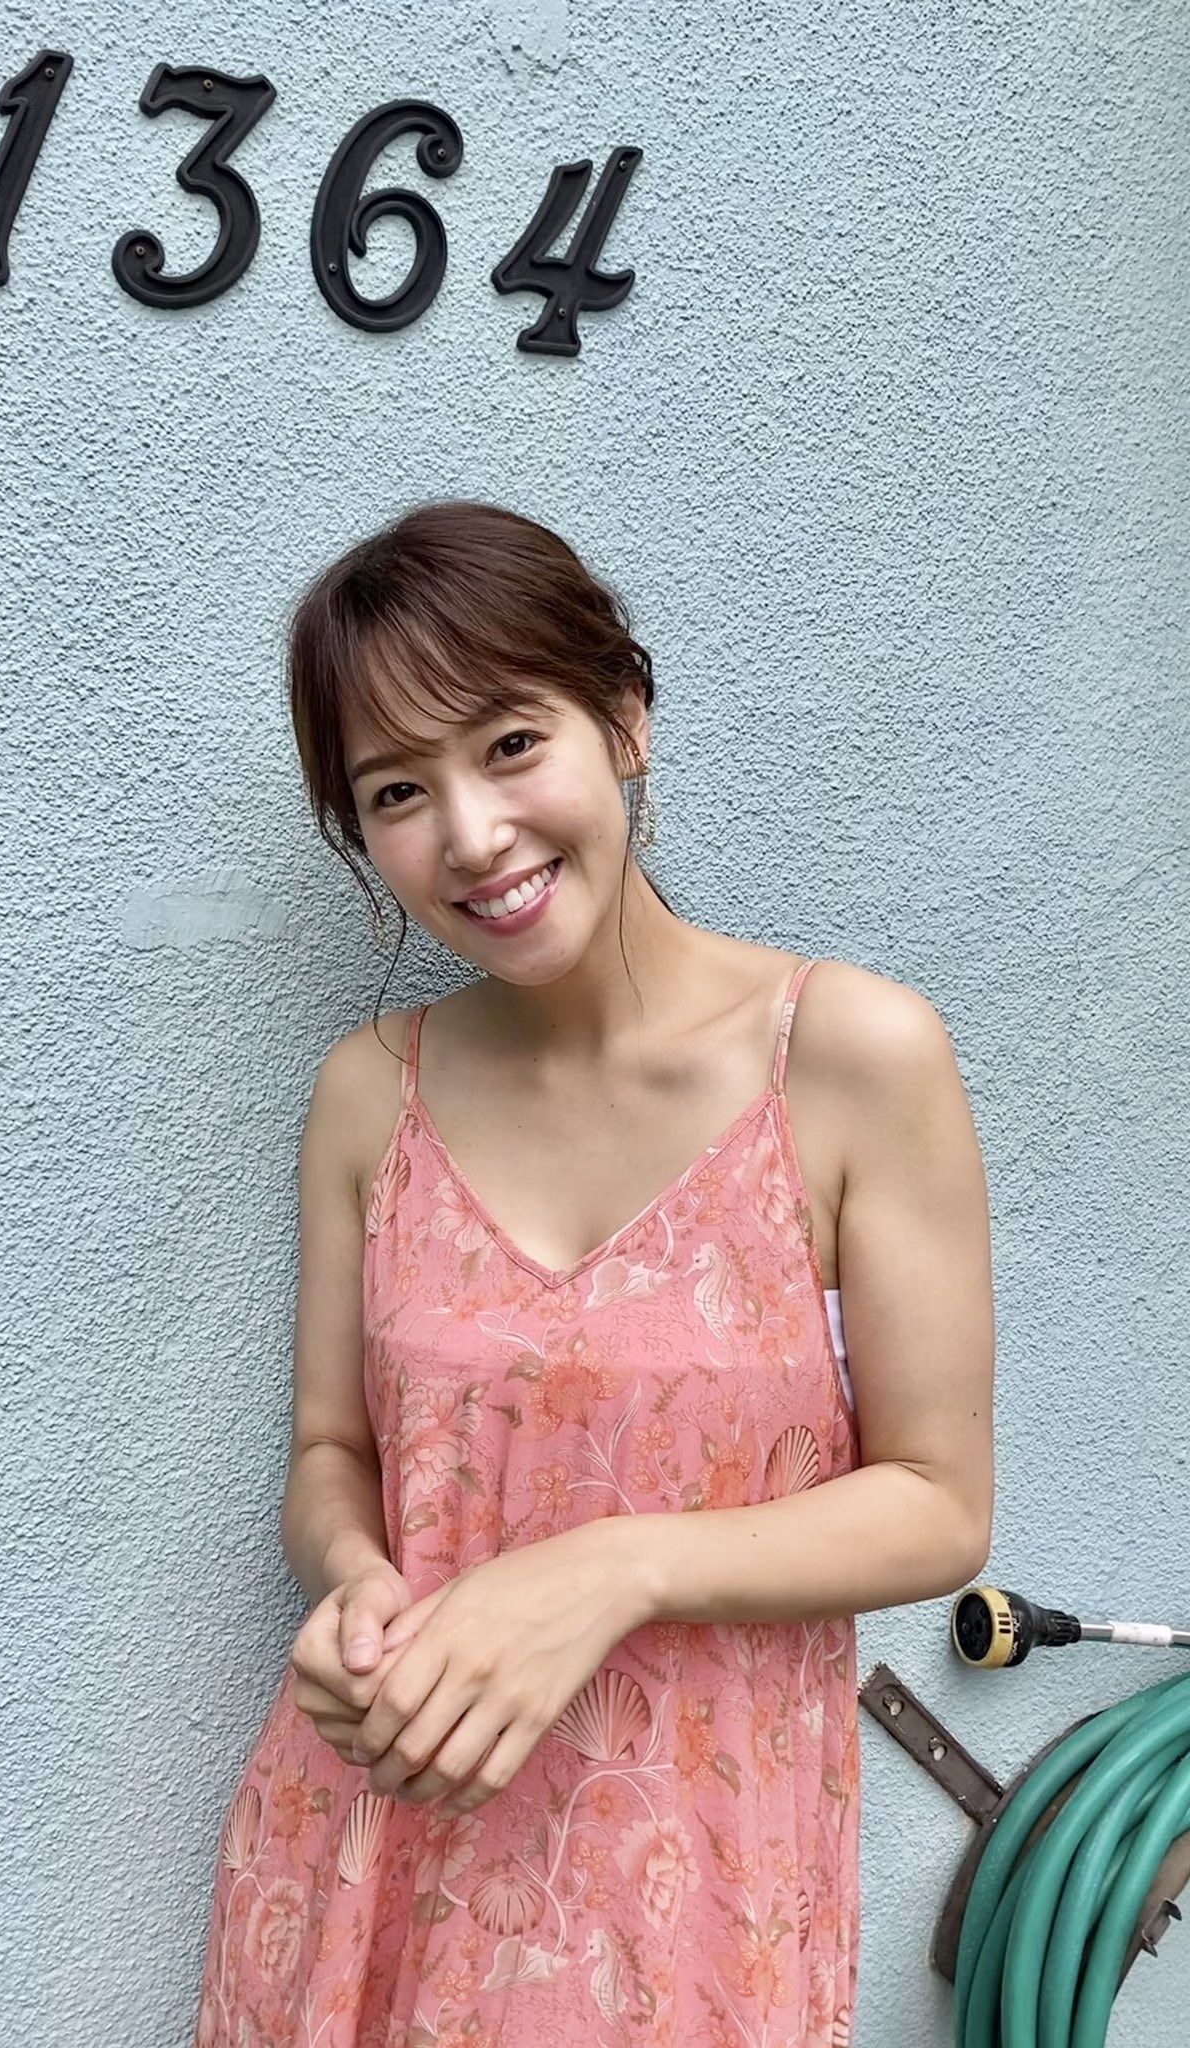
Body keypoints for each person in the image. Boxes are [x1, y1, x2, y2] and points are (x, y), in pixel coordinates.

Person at [193, 502, 994, 2048]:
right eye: (397, 791)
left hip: (696, 1880)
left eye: (510, 745)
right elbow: (331, 1450)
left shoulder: (850, 1060)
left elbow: (939, 1502)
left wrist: (613, 1568)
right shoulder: (369, 1095)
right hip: (375, 1840)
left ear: (623, 715)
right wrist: (355, 1582)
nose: (471, 836)